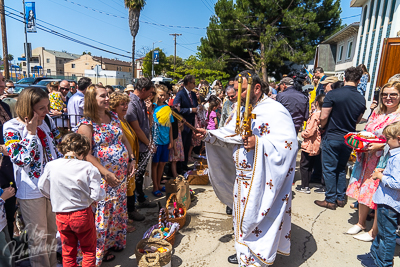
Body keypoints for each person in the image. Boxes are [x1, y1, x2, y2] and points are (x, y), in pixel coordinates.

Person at [196, 70, 297, 265]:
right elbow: (231, 134)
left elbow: (289, 144)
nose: (233, 94)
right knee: (242, 216)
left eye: (239, 90)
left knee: (257, 217)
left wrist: (258, 143)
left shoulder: (274, 110)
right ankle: (244, 251)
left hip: (262, 175)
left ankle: (257, 257)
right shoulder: (244, 109)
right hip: (242, 176)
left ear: (256, 88)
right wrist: (208, 135)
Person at [75, 84, 135, 265]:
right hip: (102, 177)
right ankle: (96, 252)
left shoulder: (114, 116)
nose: (108, 98)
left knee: (117, 210)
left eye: (107, 95)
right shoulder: (87, 124)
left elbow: (123, 138)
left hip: (119, 176)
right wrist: (106, 172)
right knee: (103, 212)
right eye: (103, 96)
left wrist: (131, 158)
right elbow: (84, 154)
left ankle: (112, 243)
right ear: (92, 100)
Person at [4, 87, 62, 267]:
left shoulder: (47, 121)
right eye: (42, 108)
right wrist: (30, 134)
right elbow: (21, 160)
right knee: (38, 239)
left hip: (51, 188)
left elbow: (58, 145)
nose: (47, 111)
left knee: (52, 232)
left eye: (47, 106)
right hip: (31, 191)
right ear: (28, 108)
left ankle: (52, 264)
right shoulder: (12, 127)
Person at [38, 133, 106, 267]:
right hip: (82, 214)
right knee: (88, 250)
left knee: (68, 252)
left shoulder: (52, 165)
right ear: (83, 151)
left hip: (61, 215)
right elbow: (97, 194)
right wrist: (97, 196)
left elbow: (41, 186)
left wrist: (54, 197)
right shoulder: (88, 167)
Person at [346, 81, 400, 240]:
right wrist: (358, 140)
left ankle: (374, 231)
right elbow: (367, 130)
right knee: (364, 188)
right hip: (366, 158)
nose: (388, 98)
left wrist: (379, 146)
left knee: (380, 194)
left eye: (393, 95)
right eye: (385, 94)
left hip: (386, 161)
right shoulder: (378, 112)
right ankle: (361, 223)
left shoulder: (398, 116)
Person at [314, 66, 366, 210]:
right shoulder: (361, 99)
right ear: (359, 80)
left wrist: (321, 127)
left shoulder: (333, 94)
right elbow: (357, 120)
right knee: (341, 168)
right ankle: (340, 198)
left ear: (344, 78)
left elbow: (324, 116)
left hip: (332, 135)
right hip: (349, 137)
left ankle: (330, 199)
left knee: (329, 169)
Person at [357, 121, 400, 267]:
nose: (386, 142)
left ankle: (384, 263)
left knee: (387, 235)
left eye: (388, 139)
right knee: (381, 231)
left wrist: (381, 177)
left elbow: (398, 183)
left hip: (389, 203)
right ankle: (374, 255)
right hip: (385, 201)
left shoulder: (399, 158)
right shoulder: (395, 154)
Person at [125, 78, 157, 221]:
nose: (151, 95)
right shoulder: (132, 104)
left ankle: (141, 198)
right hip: (137, 146)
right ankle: (132, 207)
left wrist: (149, 111)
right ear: (143, 90)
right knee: (135, 176)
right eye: (150, 92)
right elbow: (137, 129)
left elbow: (147, 125)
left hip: (144, 144)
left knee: (140, 175)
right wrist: (149, 144)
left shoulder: (142, 103)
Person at [109, 91, 140, 230]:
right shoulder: (115, 121)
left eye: (126, 104)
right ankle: (123, 221)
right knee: (122, 194)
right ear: (114, 106)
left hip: (130, 160)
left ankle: (125, 217)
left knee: (128, 190)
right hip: (122, 163)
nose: (125, 107)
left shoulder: (123, 120)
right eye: (122, 104)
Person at [296, 95, 324, 194]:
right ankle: (310, 182)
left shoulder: (315, 115)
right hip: (317, 142)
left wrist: (303, 134)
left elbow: (310, 131)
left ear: (316, 103)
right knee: (311, 163)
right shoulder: (324, 115)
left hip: (310, 143)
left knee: (304, 164)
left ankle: (305, 186)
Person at [0, 73, 16, 240]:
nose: (5, 85)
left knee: (9, 215)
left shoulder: (4, 106)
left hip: (8, 168)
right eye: (2, 81)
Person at [151, 85, 173, 197]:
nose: (162, 97)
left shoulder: (167, 108)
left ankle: (159, 184)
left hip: (165, 140)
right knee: (155, 164)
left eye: (164, 95)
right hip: (156, 140)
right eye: (160, 95)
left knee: (163, 163)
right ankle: (155, 186)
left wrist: (171, 140)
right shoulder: (152, 107)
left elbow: (170, 125)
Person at [173, 75, 198, 172]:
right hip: (183, 124)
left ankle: (184, 165)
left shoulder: (193, 94)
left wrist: (197, 109)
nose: (195, 85)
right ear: (188, 83)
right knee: (182, 145)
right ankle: (179, 168)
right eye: (193, 83)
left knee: (187, 145)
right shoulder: (180, 94)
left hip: (191, 123)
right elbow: (176, 109)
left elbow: (195, 106)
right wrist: (190, 110)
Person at [0, 185, 15, 267]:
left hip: (2, 223)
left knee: (9, 252)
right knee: (5, 258)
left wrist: (3, 191)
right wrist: (2, 198)